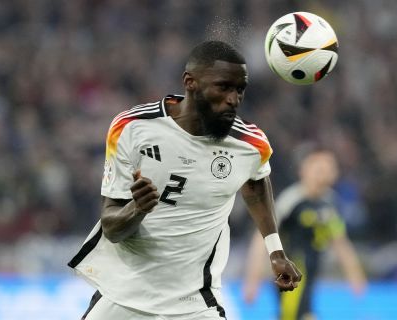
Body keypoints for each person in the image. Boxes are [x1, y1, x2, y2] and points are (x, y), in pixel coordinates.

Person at [68, 40, 302, 320]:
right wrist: (138, 208)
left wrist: (275, 251)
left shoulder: (250, 144)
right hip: (124, 297)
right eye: (224, 87)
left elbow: (256, 183)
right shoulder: (132, 128)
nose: (234, 99)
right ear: (190, 82)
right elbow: (112, 227)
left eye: (240, 90)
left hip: (195, 304)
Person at [243, 143, 367, 320]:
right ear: (304, 170)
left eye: (329, 167)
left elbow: (339, 241)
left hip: (311, 277)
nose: (324, 172)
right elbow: (261, 235)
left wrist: (355, 274)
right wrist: (252, 278)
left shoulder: (330, 203)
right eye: (319, 168)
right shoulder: (292, 201)